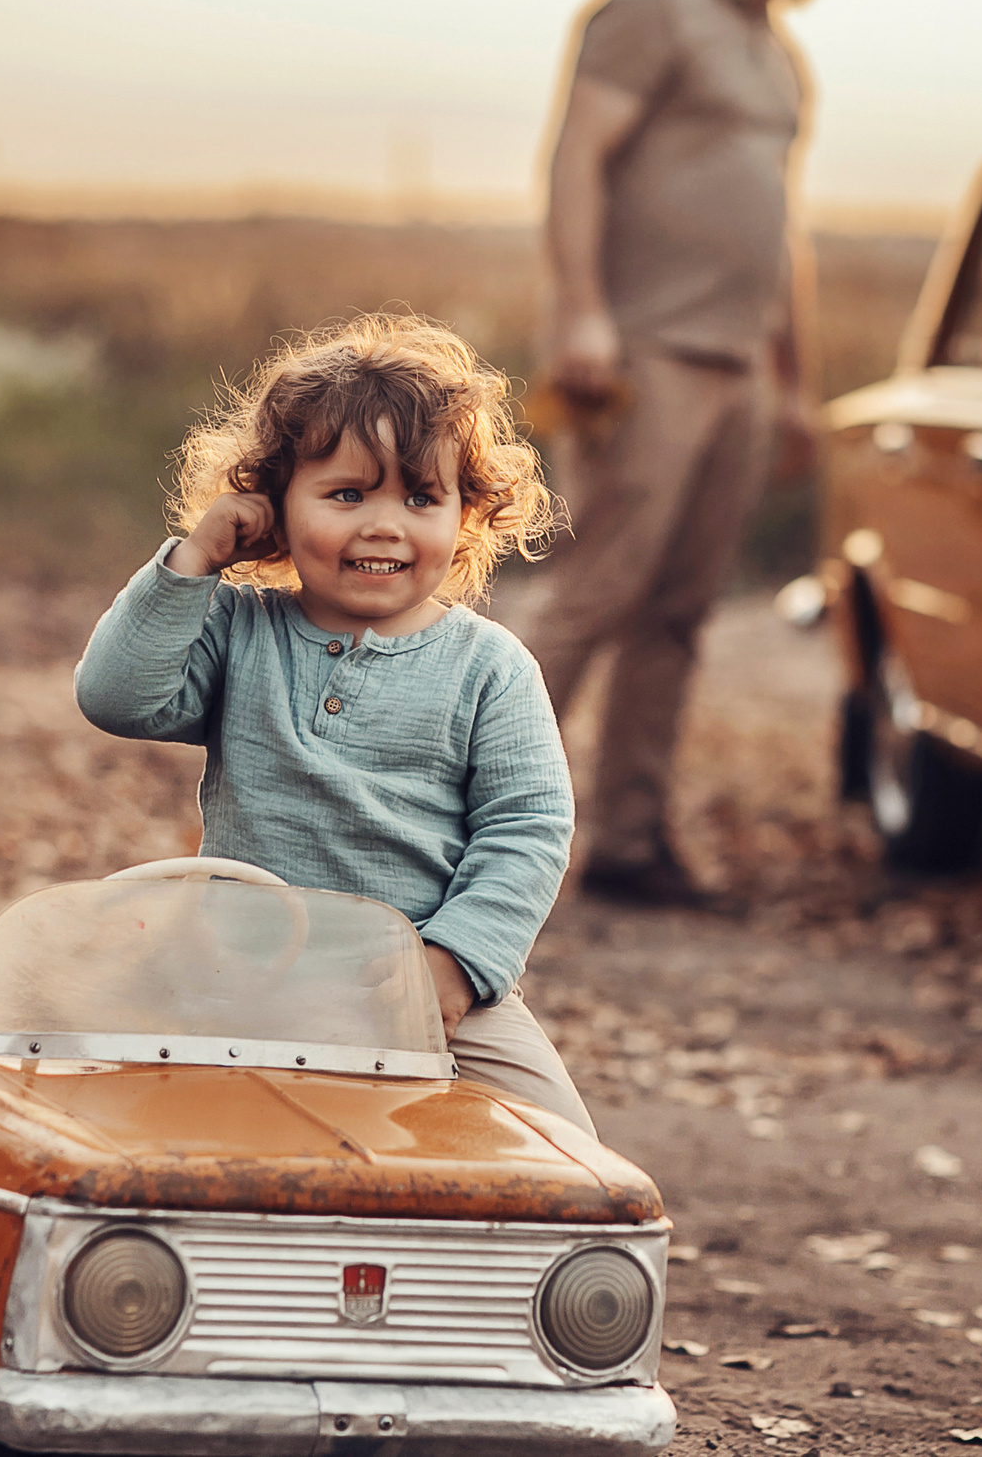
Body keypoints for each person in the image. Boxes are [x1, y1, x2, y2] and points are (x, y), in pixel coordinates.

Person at [73, 314, 597, 1135]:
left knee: (556, 1147)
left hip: (421, 983)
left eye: (421, 497)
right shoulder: (238, 630)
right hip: (242, 979)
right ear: (275, 505)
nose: (384, 523)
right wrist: (193, 561)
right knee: (137, 1130)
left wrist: (457, 965)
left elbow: (527, 830)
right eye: (347, 494)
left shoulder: (490, 667)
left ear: (466, 514)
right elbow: (116, 694)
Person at [520, 0, 875, 909]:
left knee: (679, 611)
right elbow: (575, 157)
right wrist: (583, 311)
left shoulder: (780, 61)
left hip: (738, 373)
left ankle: (628, 841)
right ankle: (442, 826)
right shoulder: (652, 11)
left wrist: (797, 384)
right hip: (641, 353)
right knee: (598, 591)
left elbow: (782, 234)